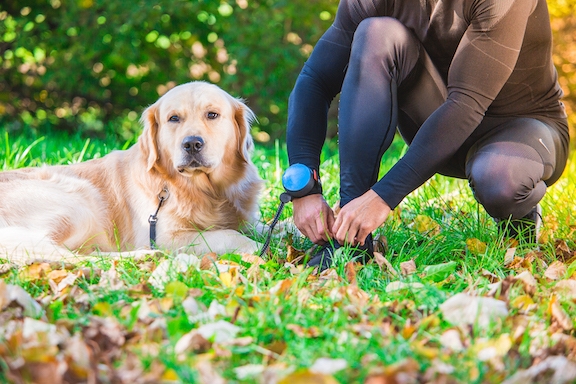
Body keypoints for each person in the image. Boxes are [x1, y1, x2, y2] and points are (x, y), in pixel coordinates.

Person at [286, 0, 570, 271]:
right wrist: (304, 187)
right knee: (376, 33)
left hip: (524, 131)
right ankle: (350, 241)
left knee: (499, 179)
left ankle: (518, 223)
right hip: (438, 127)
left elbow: (466, 104)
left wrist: (383, 197)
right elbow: (316, 79)